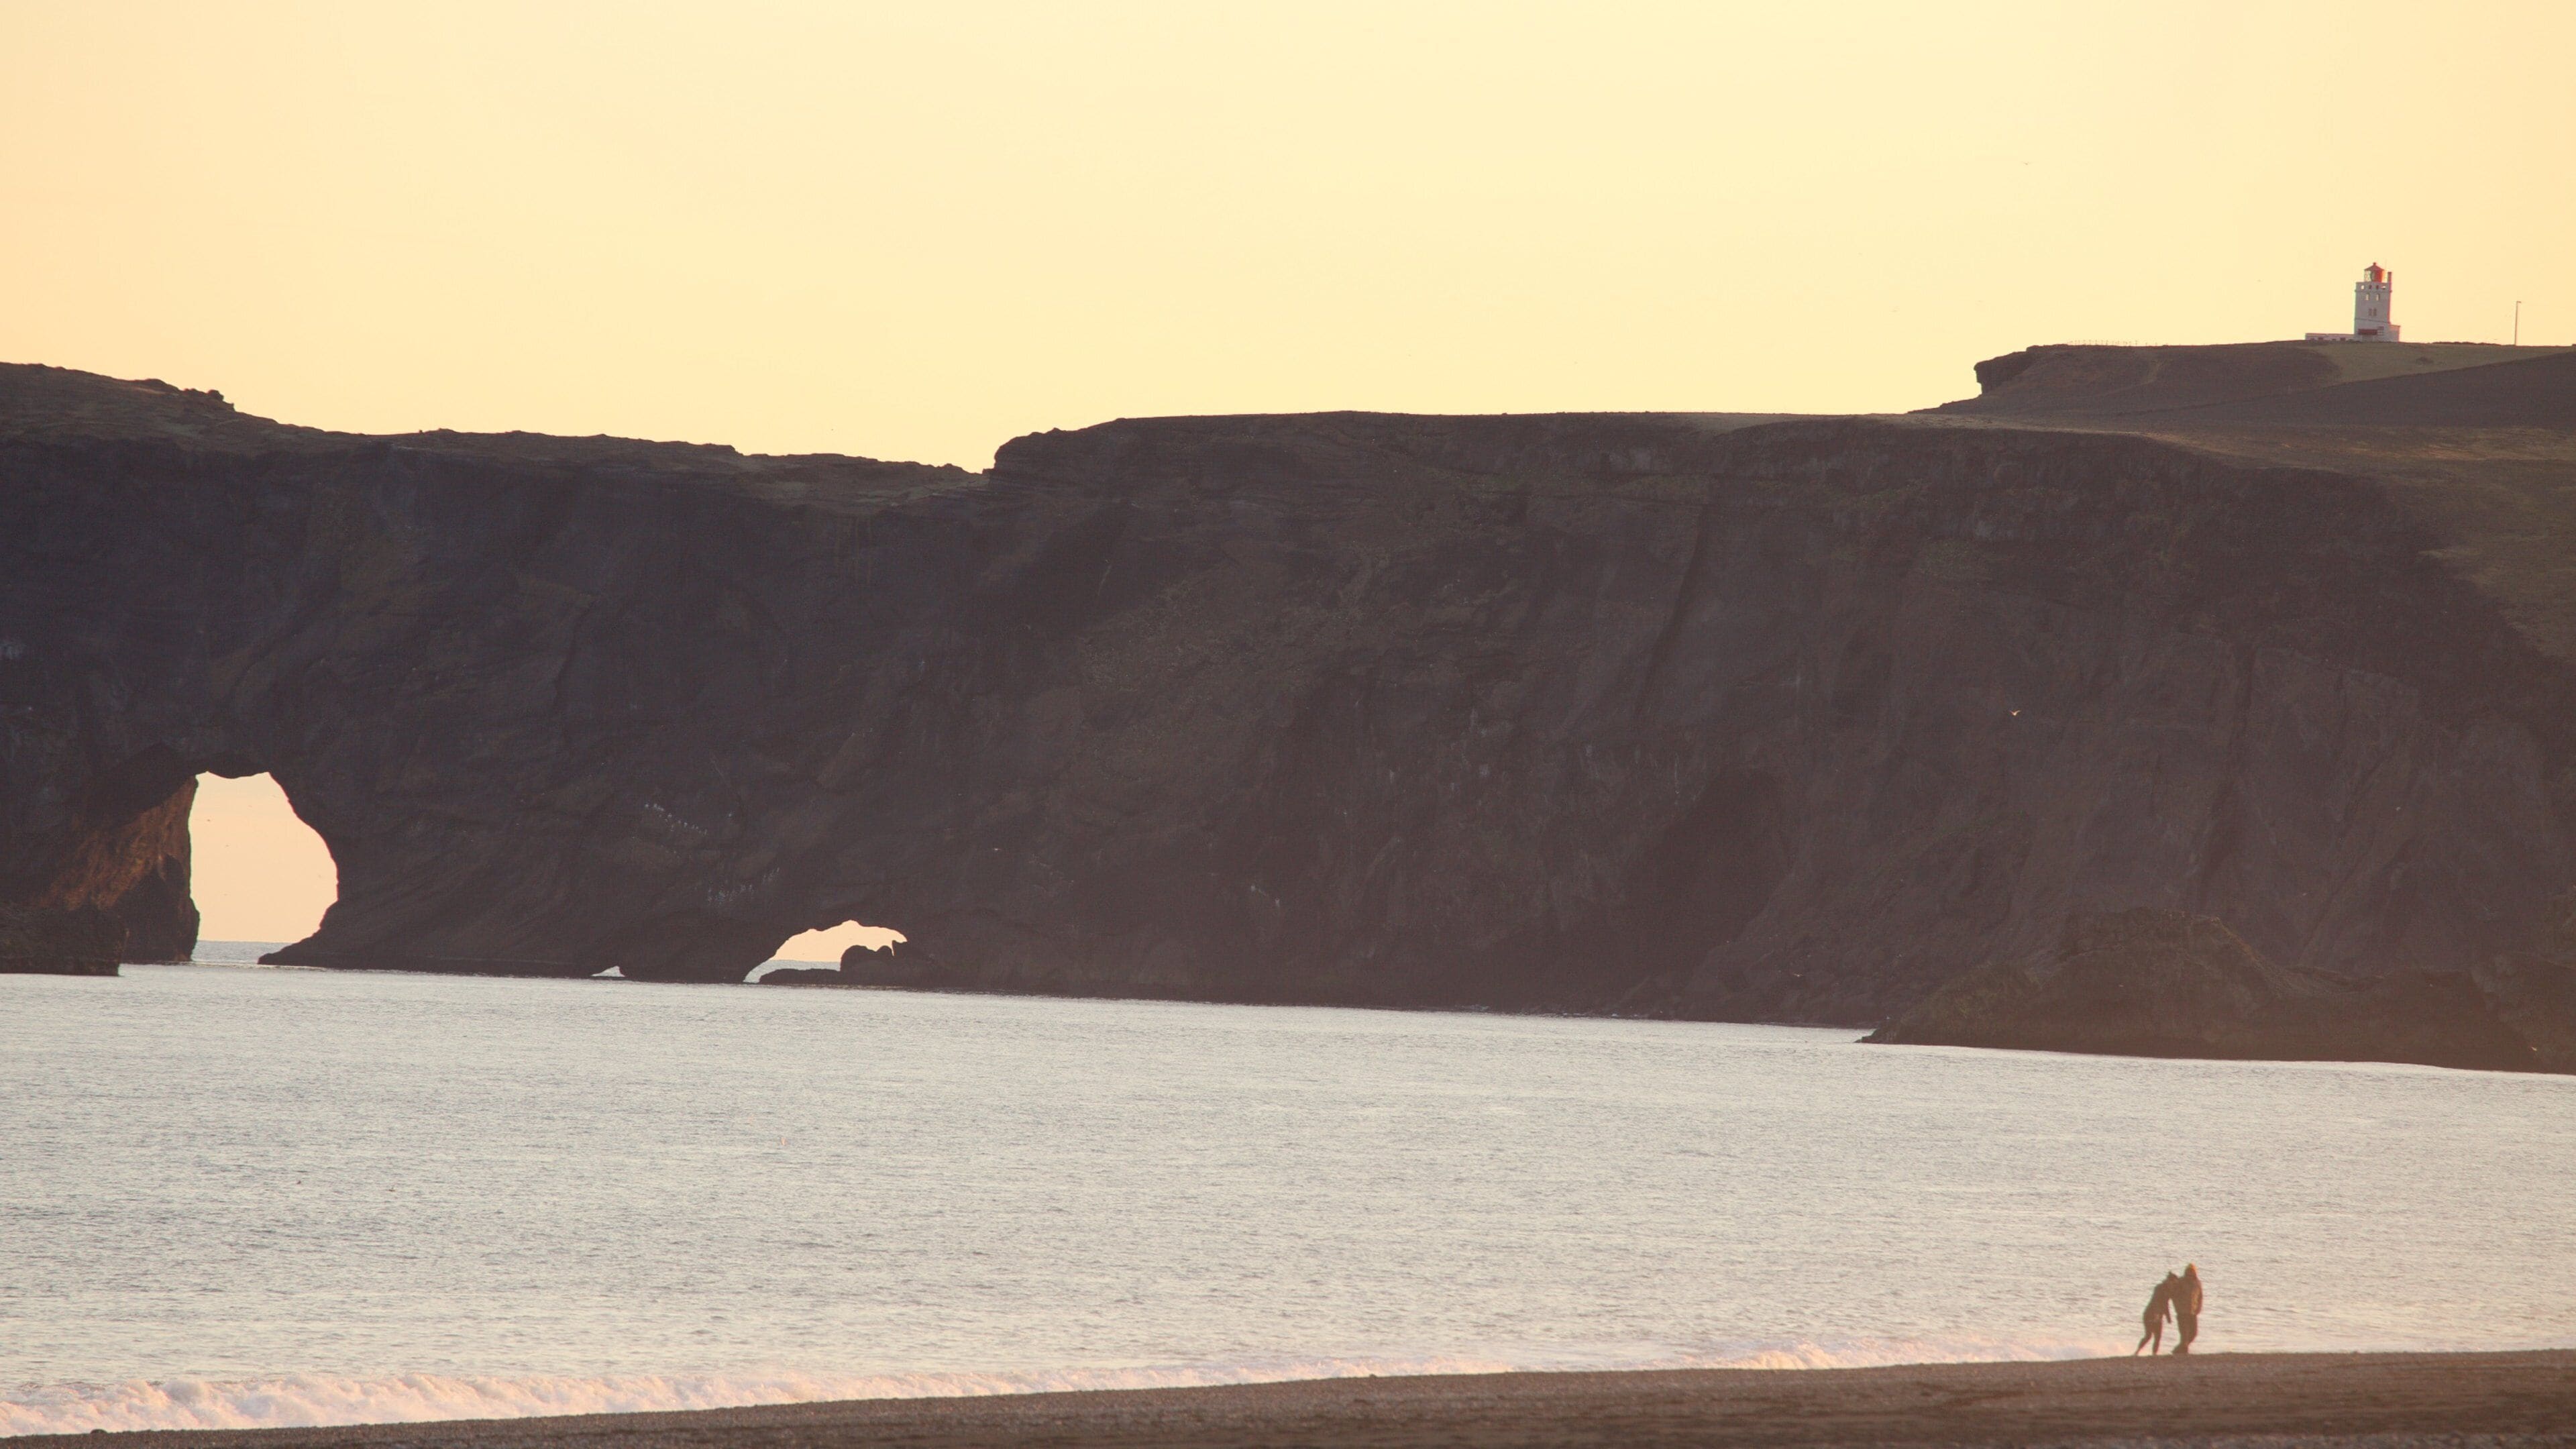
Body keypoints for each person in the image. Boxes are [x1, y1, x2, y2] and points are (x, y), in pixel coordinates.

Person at [2133, 1271, 2179, 1355]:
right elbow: (2156, 1301)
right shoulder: (2159, 1288)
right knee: (2148, 1336)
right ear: (2169, 1280)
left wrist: (2168, 1317)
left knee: (2158, 1337)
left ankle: (2154, 1354)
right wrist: (2156, 1315)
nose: (2174, 1285)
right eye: (2173, 1282)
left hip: (2159, 1315)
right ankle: (2137, 1352)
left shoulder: (2170, 1290)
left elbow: (2166, 1304)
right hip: (2150, 1314)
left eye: (2175, 1283)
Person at [2171, 1263, 2204, 1354]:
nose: (2190, 1274)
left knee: (2193, 1333)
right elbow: (2174, 1296)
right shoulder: (2181, 1282)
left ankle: (2178, 1350)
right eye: (2188, 1271)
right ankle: (2183, 1352)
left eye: (2192, 1272)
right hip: (2182, 1313)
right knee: (2184, 1336)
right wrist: (2177, 1307)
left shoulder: (2198, 1283)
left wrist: (2199, 1308)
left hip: (2193, 1312)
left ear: (2195, 1272)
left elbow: (2200, 1297)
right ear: (2186, 1272)